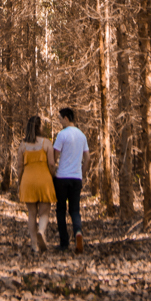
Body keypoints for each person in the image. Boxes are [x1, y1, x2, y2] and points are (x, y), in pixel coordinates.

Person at [17, 114, 57, 253]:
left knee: (32, 214)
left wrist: (19, 181)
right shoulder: (46, 143)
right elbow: (51, 164)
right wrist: (53, 177)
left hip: (28, 181)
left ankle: (34, 245)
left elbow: (19, 167)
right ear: (40, 127)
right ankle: (41, 231)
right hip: (44, 180)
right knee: (45, 212)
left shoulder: (23, 145)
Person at [53, 107, 89, 253]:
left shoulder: (62, 135)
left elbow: (54, 157)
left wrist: (54, 171)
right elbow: (88, 158)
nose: (60, 122)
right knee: (75, 210)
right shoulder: (82, 136)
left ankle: (64, 242)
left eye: (61, 119)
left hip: (62, 177)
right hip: (76, 178)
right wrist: (83, 173)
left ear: (66, 118)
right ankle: (78, 232)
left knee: (61, 209)